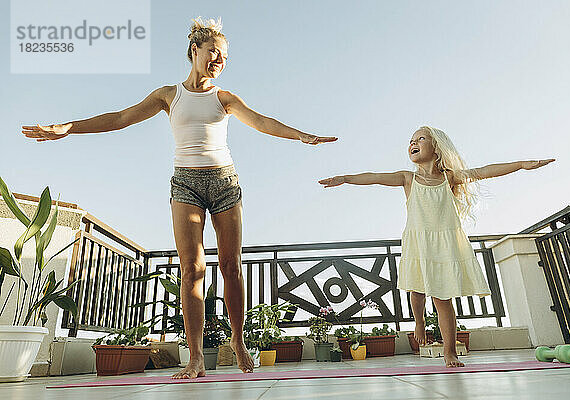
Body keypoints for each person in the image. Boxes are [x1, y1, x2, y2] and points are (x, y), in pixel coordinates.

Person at [22, 16, 337, 378]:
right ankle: (197, 357)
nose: (218, 60)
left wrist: (301, 135)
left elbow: (262, 121)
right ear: (195, 51)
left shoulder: (225, 98)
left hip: (224, 182)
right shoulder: (168, 95)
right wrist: (68, 128)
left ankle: (237, 340)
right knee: (192, 270)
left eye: (224, 57)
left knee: (231, 267)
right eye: (213, 53)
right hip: (184, 183)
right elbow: (121, 117)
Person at [318, 126, 553, 367]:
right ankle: (419, 321)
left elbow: (484, 172)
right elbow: (374, 177)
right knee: (416, 289)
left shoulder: (449, 177)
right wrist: (345, 179)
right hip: (419, 242)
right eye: (410, 140)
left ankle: (449, 351)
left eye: (420, 139)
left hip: (444, 245)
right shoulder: (407, 178)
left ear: (436, 147)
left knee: (443, 300)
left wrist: (522, 164)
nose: (413, 143)